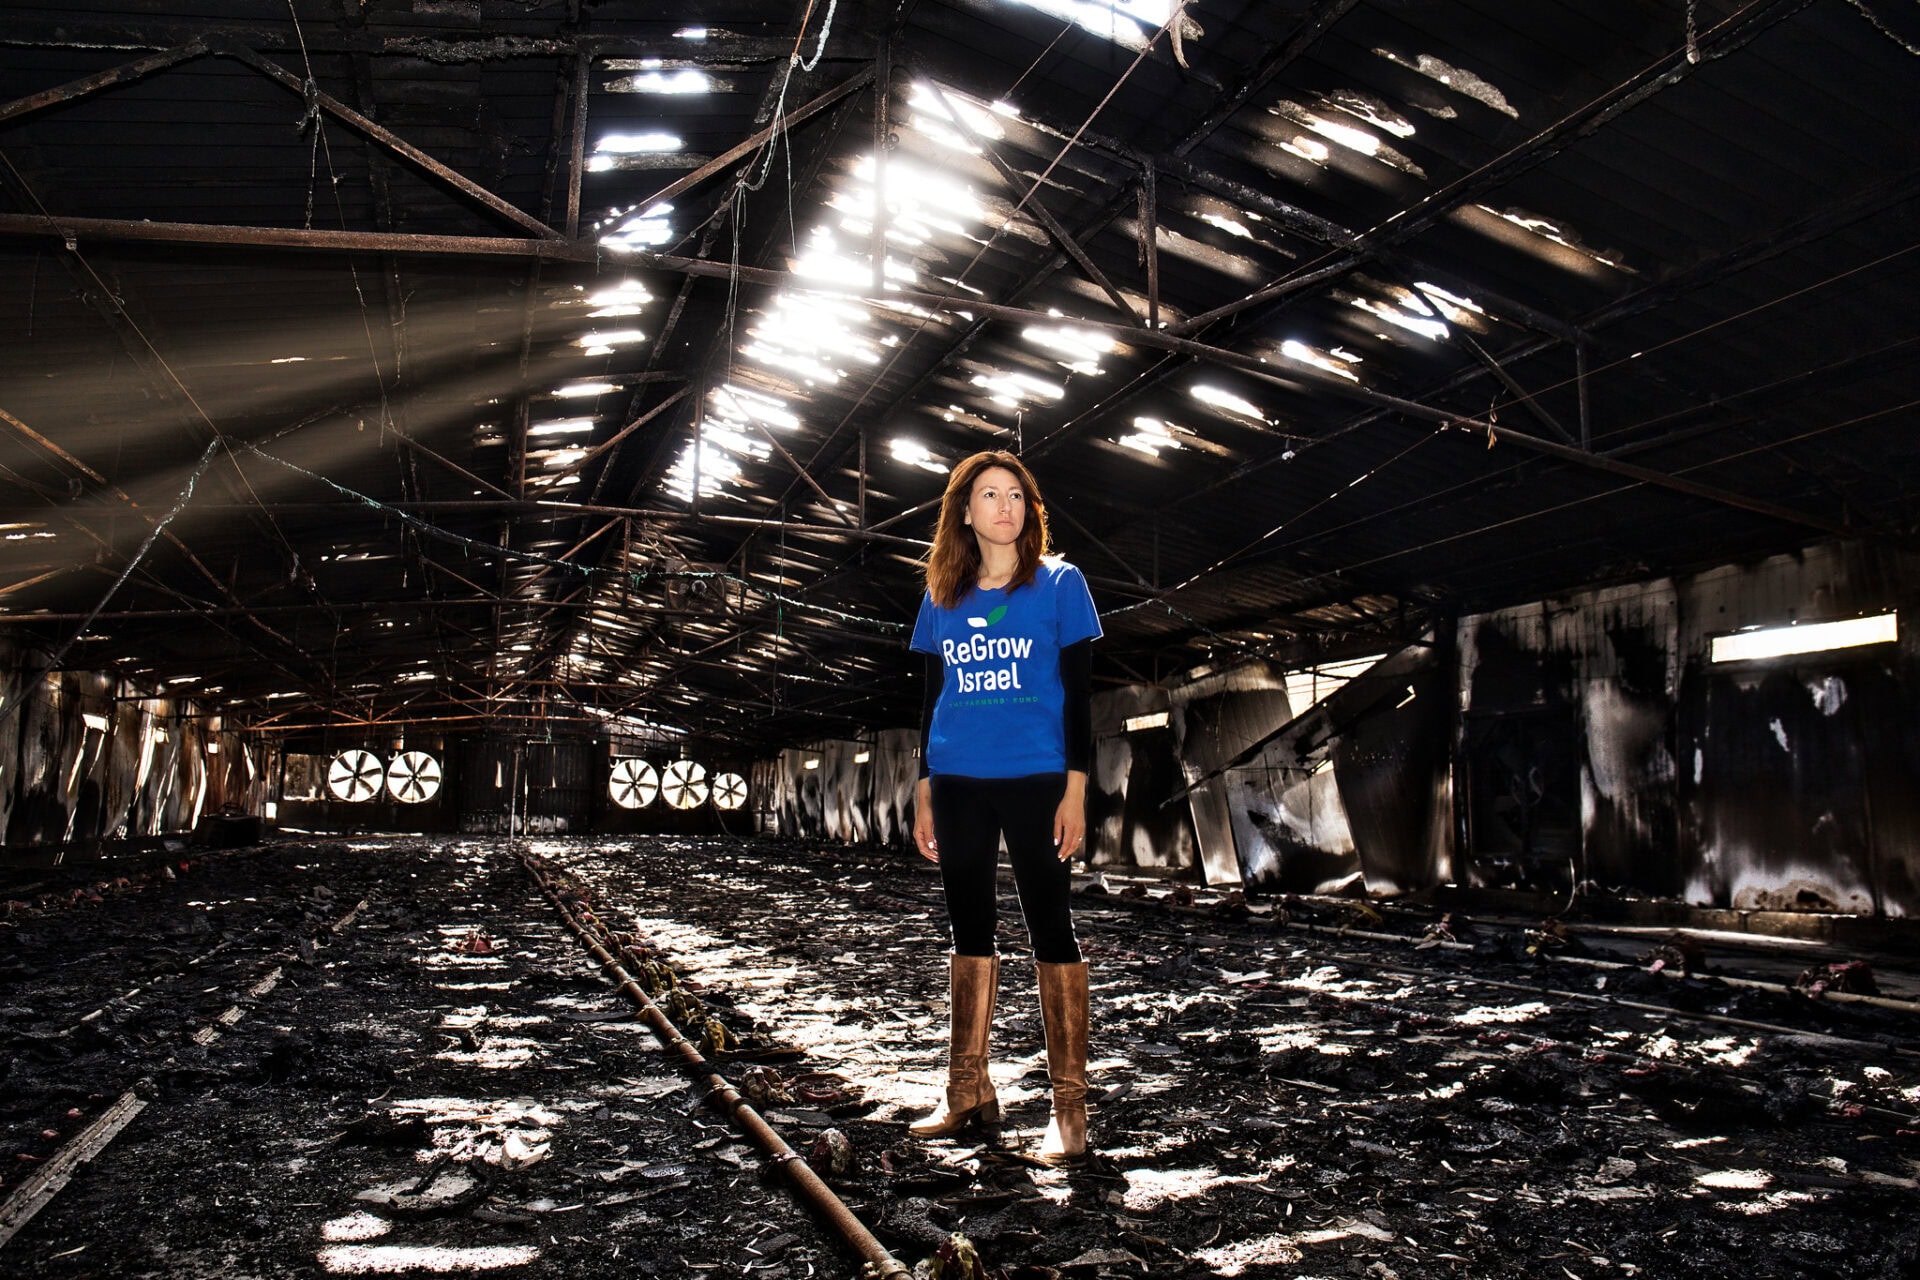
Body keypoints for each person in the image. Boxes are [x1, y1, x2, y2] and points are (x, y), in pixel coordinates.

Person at [906, 450, 1101, 1166]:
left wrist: (1076, 787)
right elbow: (931, 699)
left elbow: (1080, 696)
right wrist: (925, 783)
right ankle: (968, 1088)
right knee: (969, 925)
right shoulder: (941, 594)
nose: (1004, 506)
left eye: (1015, 494)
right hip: (958, 777)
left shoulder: (1060, 584)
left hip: (1036, 776)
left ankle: (1068, 1111)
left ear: (1030, 509)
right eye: (989, 495)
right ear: (964, 511)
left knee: (1051, 923)